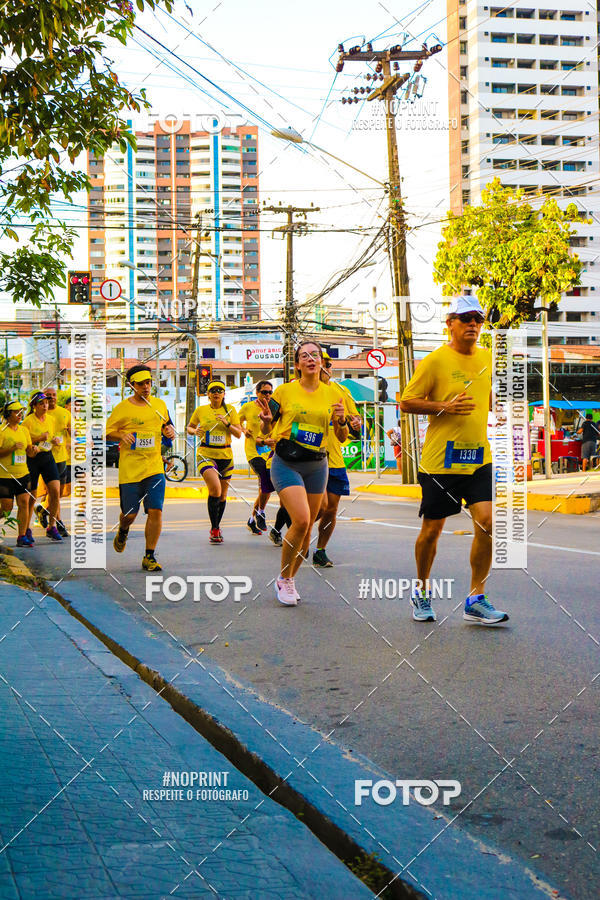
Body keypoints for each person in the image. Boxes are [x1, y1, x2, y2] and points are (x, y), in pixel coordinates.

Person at [399, 296, 509, 626]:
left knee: (488, 522)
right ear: (450, 324)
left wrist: (499, 407)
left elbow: (487, 397)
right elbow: (406, 402)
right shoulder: (434, 361)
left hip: (478, 457)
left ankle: (476, 598)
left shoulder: (488, 358)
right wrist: (442, 407)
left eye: (478, 318)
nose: (473, 324)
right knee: (432, 530)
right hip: (440, 463)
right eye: (466, 319)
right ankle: (420, 590)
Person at [258, 340, 348, 606]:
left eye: (315, 355)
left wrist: (341, 420)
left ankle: (289, 579)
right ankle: (284, 580)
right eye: (304, 356)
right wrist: (265, 423)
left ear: (321, 362)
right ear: (297, 364)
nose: (311, 359)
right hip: (286, 462)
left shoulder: (332, 394)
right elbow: (266, 428)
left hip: (318, 464)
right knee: (301, 519)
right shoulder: (284, 392)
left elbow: (341, 437)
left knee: (308, 527)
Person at [106, 365, 175, 571]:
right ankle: (123, 529)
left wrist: (169, 431)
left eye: (148, 383)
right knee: (130, 514)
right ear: (132, 386)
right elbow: (107, 432)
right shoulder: (122, 408)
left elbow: (167, 426)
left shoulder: (160, 405)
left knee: (156, 510)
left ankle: (149, 556)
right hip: (130, 469)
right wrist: (121, 435)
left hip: (154, 467)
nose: (146, 387)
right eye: (141, 384)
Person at [313, 352, 362, 567]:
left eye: (328, 364)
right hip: (311, 458)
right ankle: (299, 529)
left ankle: (320, 550)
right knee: (320, 507)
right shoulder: (303, 390)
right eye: (320, 364)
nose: (325, 368)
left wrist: (356, 424)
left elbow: (354, 422)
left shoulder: (341, 391)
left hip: (335, 459)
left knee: (331, 509)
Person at [187, 380, 242, 544]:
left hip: (226, 455)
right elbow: (189, 427)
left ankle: (216, 527)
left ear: (224, 394)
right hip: (205, 454)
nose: (216, 393)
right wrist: (194, 430)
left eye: (220, 390)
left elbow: (238, 434)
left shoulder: (230, 410)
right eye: (213, 390)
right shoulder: (201, 410)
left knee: (223, 495)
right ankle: (215, 527)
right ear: (208, 395)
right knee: (215, 490)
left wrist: (227, 424)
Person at [239, 380, 291, 542]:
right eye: (264, 392)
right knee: (265, 479)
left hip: (273, 452)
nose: (268, 395)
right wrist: (243, 429)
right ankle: (262, 513)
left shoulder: (276, 408)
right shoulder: (248, 407)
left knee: (271, 489)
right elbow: (237, 421)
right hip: (254, 451)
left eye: (270, 392)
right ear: (257, 393)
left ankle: (253, 519)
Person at [23, 392, 63, 542]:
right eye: (41, 403)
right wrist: (38, 438)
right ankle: (26, 529)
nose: (45, 406)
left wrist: (55, 440)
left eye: (46, 403)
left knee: (55, 491)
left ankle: (52, 527)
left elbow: (51, 438)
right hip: (32, 459)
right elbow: (25, 440)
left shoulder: (51, 420)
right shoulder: (28, 421)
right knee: (31, 496)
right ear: (34, 406)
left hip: (47, 457)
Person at [35, 386, 71, 536]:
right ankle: (57, 522)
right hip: (46, 458)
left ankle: (42, 509)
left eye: (53, 395)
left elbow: (73, 430)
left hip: (62, 456)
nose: (51, 398)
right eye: (48, 395)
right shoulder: (41, 413)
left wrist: (72, 433)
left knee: (59, 492)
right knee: (53, 491)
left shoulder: (65, 413)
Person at [0, 400, 35, 547]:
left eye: (21, 411)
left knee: (24, 503)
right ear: (8, 414)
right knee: (7, 508)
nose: (20, 414)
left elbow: (29, 451)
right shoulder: (2, 431)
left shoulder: (24, 430)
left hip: (23, 473)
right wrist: (12, 448)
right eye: (16, 412)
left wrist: (33, 450)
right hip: (5, 475)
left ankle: (22, 536)